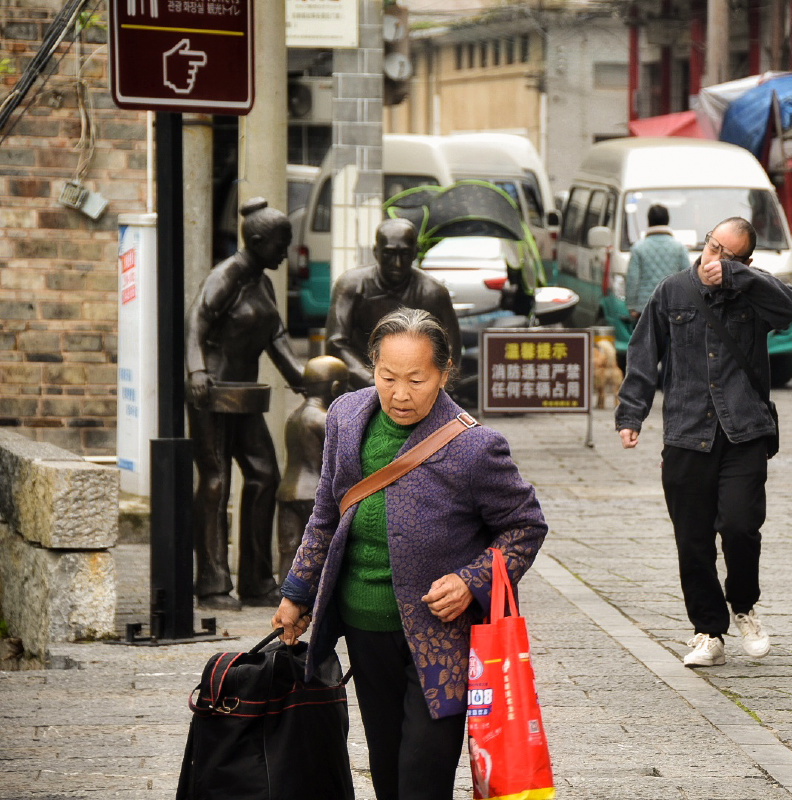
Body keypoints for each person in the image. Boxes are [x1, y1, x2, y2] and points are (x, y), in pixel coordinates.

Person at [272, 308, 548, 800]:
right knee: (386, 766)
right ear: (371, 366)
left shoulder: (474, 448)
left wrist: (471, 581)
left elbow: (525, 526)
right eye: (387, 376)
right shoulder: (347, 416)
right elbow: (326, 513)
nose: (400, 394)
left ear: (443, 374)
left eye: (416, 379)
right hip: (363, 626)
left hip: (440, 639)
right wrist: (297, 593)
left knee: (423, 775)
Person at [616, 217, 792, 668]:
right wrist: (631, 412)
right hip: (686, 432)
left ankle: (743, 605)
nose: (716, 260)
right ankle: (707, 631)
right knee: (692, 540)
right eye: (714, 248)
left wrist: (741, 278)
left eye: (730, 256)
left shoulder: (754, 291)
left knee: (740, 527)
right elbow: (643, 354)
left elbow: (790, 309)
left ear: (747, 262)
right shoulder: (672, 291)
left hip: (745, 431)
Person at [186, 197, 306, 610]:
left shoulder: (263, 281)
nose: (285, 253)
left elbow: (276, 339)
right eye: (280, 244)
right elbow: (196, 320)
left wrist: (305, 380)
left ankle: (256, 580)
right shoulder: (227, 276)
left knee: (264, 475)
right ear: (256, 241)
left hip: (245, 396)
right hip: (212, 394)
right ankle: (213, 583)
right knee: (216, 482)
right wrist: (196, 371)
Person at [325, 218, 462, 392]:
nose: (397, 263)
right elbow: (335, 342)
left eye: (404, 254)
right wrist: (374, 382)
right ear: (376, 252)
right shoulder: (351, 286)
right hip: (361, 385)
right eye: (389, 254)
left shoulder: (433, 293)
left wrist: (429, 387)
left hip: (417, 389)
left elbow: (451, 351)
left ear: (415, 253)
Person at [276, 354, 348, 585]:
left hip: (288, 491)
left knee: (289, 548)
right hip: (314, 494)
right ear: (336, 387)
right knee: (320, 549)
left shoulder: (294, 416)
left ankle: (285, 595)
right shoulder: (324, 419)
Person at [625, 203, 691, 321]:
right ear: (667, 220)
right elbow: (687, 278)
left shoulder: (638, 248)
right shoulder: (680, 248)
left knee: (647, 339)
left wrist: (632, 307)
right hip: (673, 306)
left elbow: (632, 279)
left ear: (648, 221)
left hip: (645, 307)